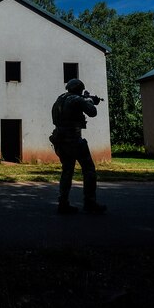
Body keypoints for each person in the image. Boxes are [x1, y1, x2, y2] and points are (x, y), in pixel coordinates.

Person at [50, 78, 107, 215]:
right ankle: (90, 202)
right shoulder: (77, 99)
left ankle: (63, 203)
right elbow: (92, 112)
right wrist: (88, 100)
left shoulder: (60, 99)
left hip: (60, 140)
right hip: (74, 140)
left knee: (67, 171)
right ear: (79, 89)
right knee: (89, 170)